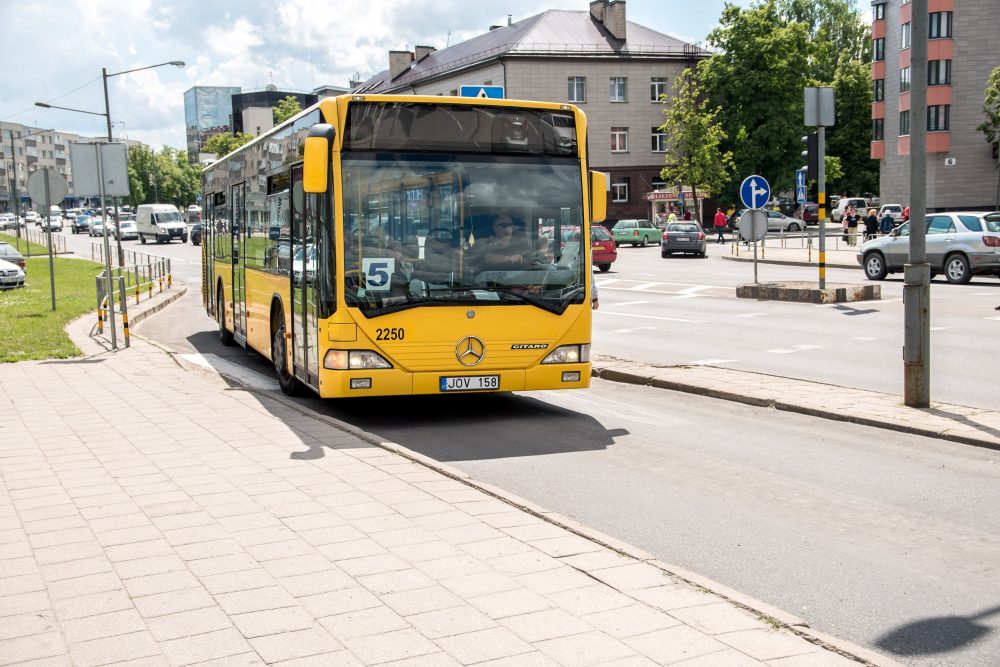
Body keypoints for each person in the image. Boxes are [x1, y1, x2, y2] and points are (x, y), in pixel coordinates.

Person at [472, 213, 541, 270]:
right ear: (494, 227)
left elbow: (532, 259)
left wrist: (537, 263)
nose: (508, 228)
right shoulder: (485, 244)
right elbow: (488, 258)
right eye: (504, 225)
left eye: (510, 224)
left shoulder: (521, 245)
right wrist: (508, 258)